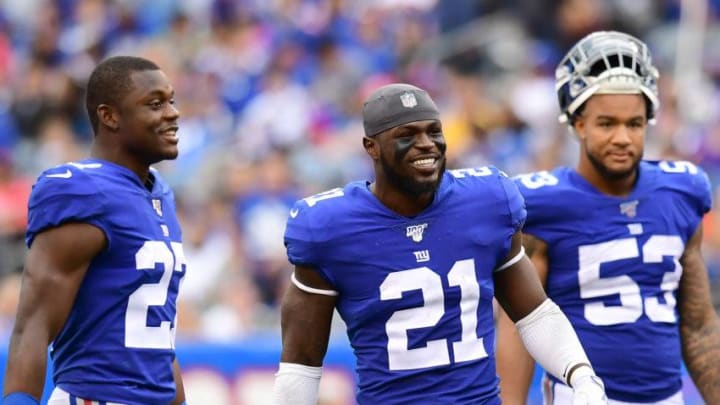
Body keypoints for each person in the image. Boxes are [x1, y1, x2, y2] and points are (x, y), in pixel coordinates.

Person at [271, 83, 608, 404]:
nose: (426, 144)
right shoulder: (330, 227)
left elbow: (535, 314)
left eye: (433, 131)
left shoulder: (487, 202)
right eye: (407, 135)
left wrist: (581, 376)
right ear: (371, 146)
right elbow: (300, 363)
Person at [496, 31, 720, 404]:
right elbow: (520, 326)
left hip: (667, 397)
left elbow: (697, 324)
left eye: (634, 124)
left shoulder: (681, 191)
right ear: (578, 122)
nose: (622, 137)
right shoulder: (541, 202)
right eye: (606, 123)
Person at [2, 56, 187, 405]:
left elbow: (155, 335)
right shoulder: (81, 190)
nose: (172, 113)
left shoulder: (159, 192)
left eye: (171, 100)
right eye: (155, 103)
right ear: (109, 116)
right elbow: (33, 322)